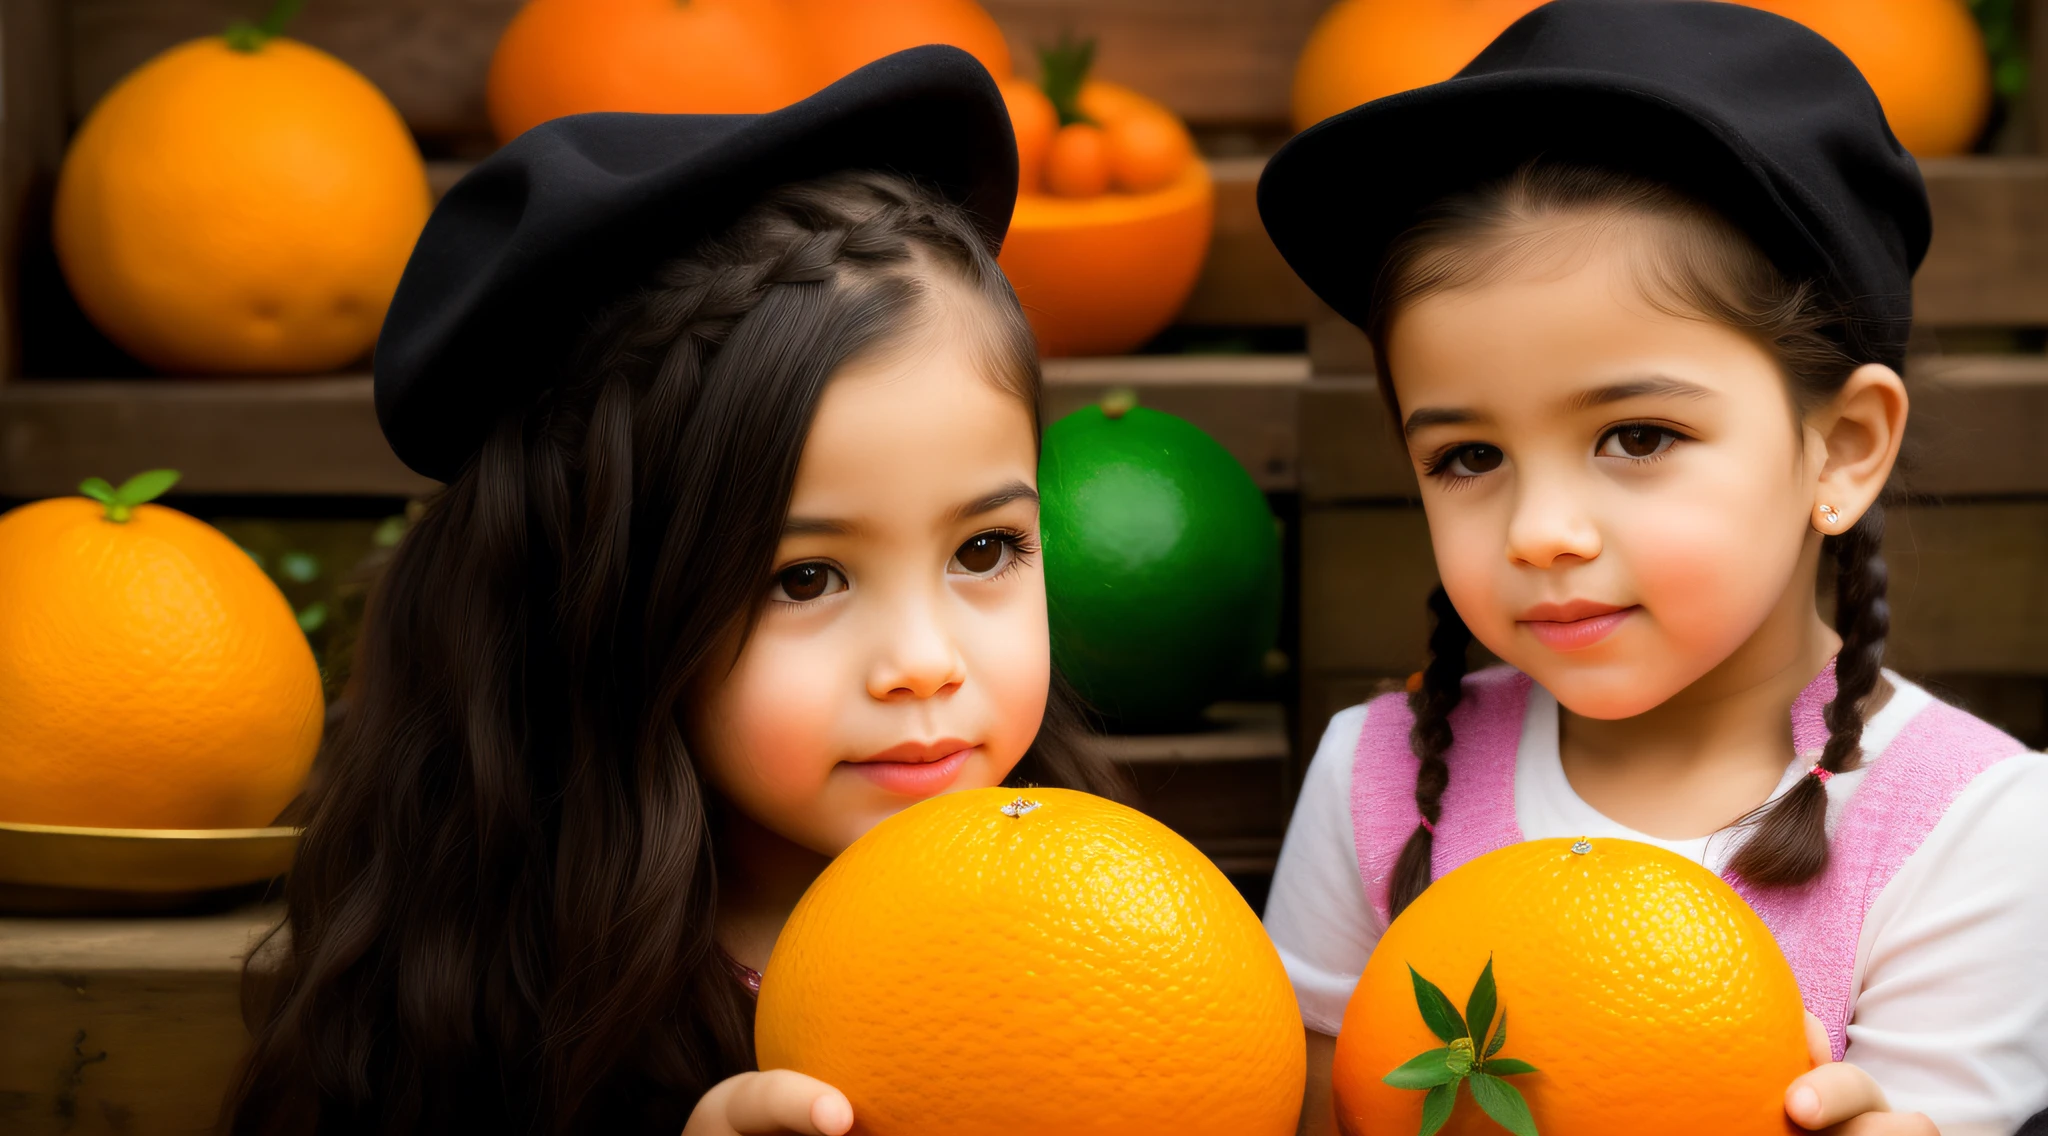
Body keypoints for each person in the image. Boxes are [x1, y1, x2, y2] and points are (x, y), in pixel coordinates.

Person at [223, 47, 1123, 1136]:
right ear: (603, 605)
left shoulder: (1108, 918)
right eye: (806, 576)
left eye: (984, 548)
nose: (926, 659)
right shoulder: (513, 994)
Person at [1256, 4, 2048, 1134]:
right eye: (1467, 456)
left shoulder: (1970, 831)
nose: (1541, 530)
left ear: (1842, 446)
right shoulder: (1380, 781)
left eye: (1635, 436)